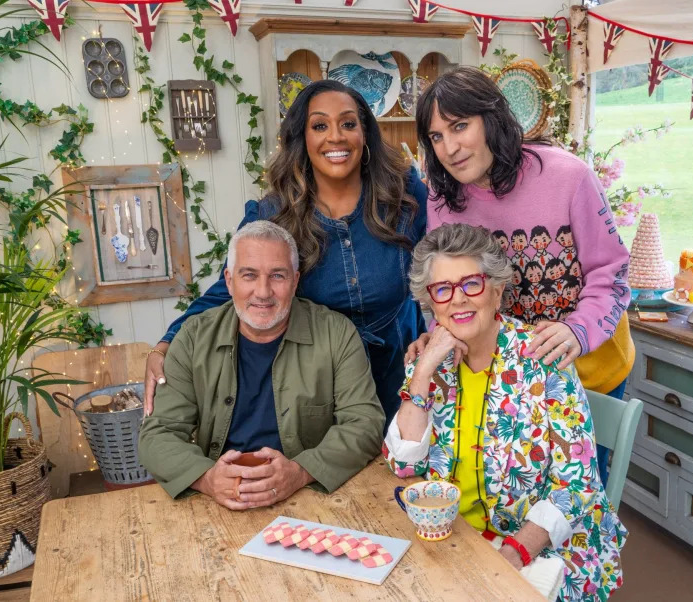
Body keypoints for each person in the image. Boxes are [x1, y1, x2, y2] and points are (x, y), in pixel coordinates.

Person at [144, 80, 428, 426]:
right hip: (320, 382)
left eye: (349, 124)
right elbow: (229, 288)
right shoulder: (273, 214)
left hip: (402, 369)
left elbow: (444, 263)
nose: (336, 136)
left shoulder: (406, 196)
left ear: (365, 134)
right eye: (320, 125)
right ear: (302, 139)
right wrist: (164, 344)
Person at [407, 67, 634, 483]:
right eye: (436, 137)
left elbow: (612, 272)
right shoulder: (444, 201)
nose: (450, 148)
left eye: (460, 126)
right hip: (509, 380)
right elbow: (437, 284)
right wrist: (441, 334)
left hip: (589, 368)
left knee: (578, 492)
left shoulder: (569, 177)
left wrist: (579, 330)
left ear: (491, 119)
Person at [384, 224, 625, 601]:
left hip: (539, 549)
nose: (458, 300)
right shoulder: (431, 361)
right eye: (443, 289)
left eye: (472, 284)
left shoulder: (544, 358)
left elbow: (575, 486)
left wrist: (510, 557)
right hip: (452, 537)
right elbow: (403, 466)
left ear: (497, 291)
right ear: (431, 303)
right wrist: (423, 372)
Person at [139, 221, 385, 508]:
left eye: (277, 276)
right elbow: (158, 434)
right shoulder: (193, 337)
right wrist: (207, 479)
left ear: (295, 281)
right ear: (229, 281)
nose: (263, 291)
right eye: (249, 275)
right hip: (219, 501)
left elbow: (365, 424)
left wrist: (301, 472)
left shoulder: (336, 333)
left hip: (309, 498)